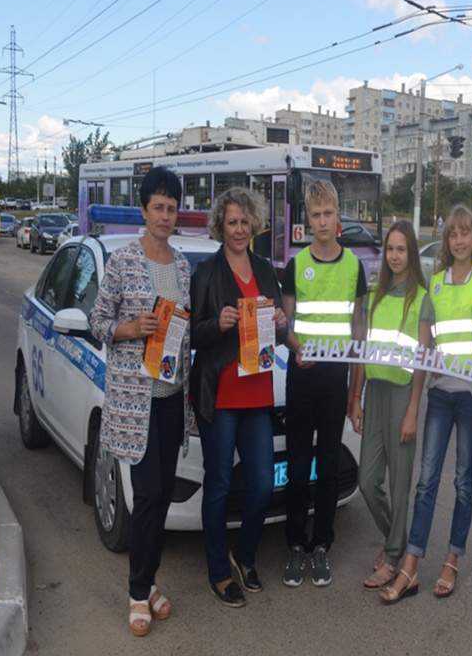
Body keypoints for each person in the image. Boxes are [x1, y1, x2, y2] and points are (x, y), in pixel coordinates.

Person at [89, 167, 193, 637]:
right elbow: (98, 321)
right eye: (158, 207)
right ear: (144, 210)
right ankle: (137, 592)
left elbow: (186, 332)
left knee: (163, 496)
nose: (165, 216)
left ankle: (149, 584)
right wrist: (131, 330)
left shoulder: (183, 266)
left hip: (172, 398)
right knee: (148, 495)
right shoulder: (123, 262)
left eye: (172, 208)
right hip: (136, 402)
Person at [380, 204, 472, 604]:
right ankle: (411, 565)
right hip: (440, 393)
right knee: (426, 480)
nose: (459, 240)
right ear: (447, 241)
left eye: (465, 233)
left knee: (463, 481)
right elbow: (425, 342)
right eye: (453, 234)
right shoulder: (437, 283)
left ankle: (452, 560)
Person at [190, 188, 288, 607]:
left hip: (257, 393)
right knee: (219, 486)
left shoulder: (265, 270)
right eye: (231, 222)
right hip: (221, 394)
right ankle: (218, 574)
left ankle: (243, 556)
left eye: (245, 221)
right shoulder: (208, 273)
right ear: (220, 226)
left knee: (263, 485)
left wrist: (282, 323)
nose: (239, 229)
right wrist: (219, 323)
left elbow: (277, 334)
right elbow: (193, 334)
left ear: (254, 224)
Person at [281, 179, 366, 588]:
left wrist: (355, 395)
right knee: (298, 468)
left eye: (328, 213)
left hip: (336, 382)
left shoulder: (354, 266)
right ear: (307, 220)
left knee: (328, 468)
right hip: (302, 376)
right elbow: (285, 326)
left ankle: (322, 545)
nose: (322, 221)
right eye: (314, 215)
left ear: (338, 215)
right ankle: (296, 544)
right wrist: (299, 349)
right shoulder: (295, 266)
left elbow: (359, 334)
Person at [348, 221, 433, 591]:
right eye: (390, 249)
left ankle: (395, 558)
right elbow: (363, 353)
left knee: (400, 484)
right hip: (375, 393)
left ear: (411, 253)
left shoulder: (421, 300)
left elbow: (422, 361)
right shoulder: (374, 296)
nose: (395, 255)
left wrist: (413, 409)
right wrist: (355, 398)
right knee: (367, 481)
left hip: (402, 396)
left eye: (401, 249)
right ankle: (394, 540)